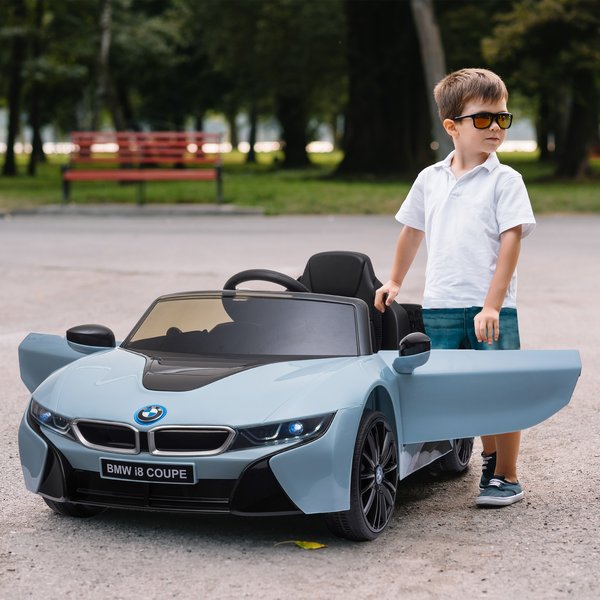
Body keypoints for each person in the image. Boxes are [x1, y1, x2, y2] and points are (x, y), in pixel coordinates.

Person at [374, 68, 536, 507]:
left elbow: (511, 242)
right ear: (452, 127)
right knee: (461, 390)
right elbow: (412, 231)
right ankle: (488, 459)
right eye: (483, 119)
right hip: (442, 304)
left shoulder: (506, 180)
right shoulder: (430, 178)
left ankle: (507, 475)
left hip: (491, 310)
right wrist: (394, 279)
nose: (495, 127)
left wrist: (492, 305)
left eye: (503, 118)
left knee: (501, 390)